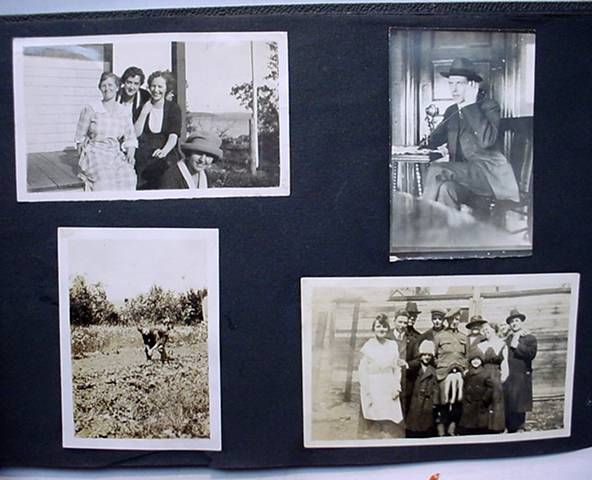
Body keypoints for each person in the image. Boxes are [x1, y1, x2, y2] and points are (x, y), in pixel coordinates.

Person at [421, 57, 519, 216]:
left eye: (459, 83)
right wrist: (423, 144)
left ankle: (421, 220)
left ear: (471, 85)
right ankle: (449, 236)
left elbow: (487, 141)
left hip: (488, 177)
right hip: (463, 176)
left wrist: (470, 105)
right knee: (446, 189)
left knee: (437, 168)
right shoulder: (452, 110)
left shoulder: (489, 107)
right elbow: (433, 141)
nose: (454, 89)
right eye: (451, 84)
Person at [74, 72, 137, 191]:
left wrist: (131, 154)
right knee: (105, 179)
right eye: (104, 85)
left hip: (115, 153)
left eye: (110, 85)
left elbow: (131, 138)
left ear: (117, 87)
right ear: (100, 88)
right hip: (95, 153)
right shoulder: (91, 108)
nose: (107, 88)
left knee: (128, 177)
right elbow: (80, 136)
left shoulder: (123, 111)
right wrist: (81, 157)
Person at [134, 70, 182, 190]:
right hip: (144, 155)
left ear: (166, 88)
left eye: (160, 86)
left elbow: (173, 136)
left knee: (166, 178)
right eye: (153, 86)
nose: (156, 90)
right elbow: (135, 134)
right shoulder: (142, 108)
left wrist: (164, 151)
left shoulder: (173, 108)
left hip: (166, 153)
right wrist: (144, 113)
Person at [358, 314, 404, 438]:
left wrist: (396, 386)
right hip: (373, 384)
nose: (381, 329)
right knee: (374, 419)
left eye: (384, 326)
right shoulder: (368, 346)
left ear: (388, 328)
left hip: (388, 384)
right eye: (378, 326)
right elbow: (363, 371)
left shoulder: (392, 345)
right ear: (373, 328)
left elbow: (396, 368)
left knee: (389, 421)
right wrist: (366, 389)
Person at [433, 307, 468, 436]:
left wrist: (462, 368)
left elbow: (467, 356)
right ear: (447, 320)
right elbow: (434, 355)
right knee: (444, 401)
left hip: (459, 373)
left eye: (457, 319)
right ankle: (442, 427)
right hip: (443, 374)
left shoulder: (464, 337)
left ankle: (453, 427)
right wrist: (442, 366)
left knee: (458, 401)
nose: (455, 322)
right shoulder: (440, 336)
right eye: (452, 319)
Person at [503, 308, 538, 433]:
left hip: (522, 374)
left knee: (520, 402)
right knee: (509, 401)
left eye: (516, 321)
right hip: (509, 375)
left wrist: (517, 345)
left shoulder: (530, 338)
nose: (514, 324)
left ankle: (520, 427)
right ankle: (509, 426)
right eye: (512, 322)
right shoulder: (507, 339)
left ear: (521, 322)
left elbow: (531, 354)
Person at [477, 321, 509, 433]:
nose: (486, 332)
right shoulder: (481, 345)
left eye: (488, 330)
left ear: (494, 330)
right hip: (483, 375)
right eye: (484, 330)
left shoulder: (501, 344)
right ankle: (483, 427)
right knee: (484, 400)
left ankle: (496, 428)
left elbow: (504, 364)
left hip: (496, 375)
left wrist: (503, 378)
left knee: (496, 401)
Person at [406, 340, 438, 438]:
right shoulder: (416, 368)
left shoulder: (432, 370)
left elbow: (436, 388)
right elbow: (409, 366)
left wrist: (435, 402)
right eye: (424, 355)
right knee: (414, 423)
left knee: (426, 424)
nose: (426, 357)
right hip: (416, 400)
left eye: (429, 355)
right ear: (420, 356)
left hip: (427, 401)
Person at [459, 349, 493, 435]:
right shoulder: (467, 373)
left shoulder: (485, 373)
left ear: (481, 361)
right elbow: (465, 386)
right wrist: (465, 397)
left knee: (480, 424)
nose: (475, 362)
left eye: (478, 360)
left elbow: (490, 388)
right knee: (469, 424)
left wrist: (485, 399)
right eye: (473, 360)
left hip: (480, 401)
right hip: (469, 402)